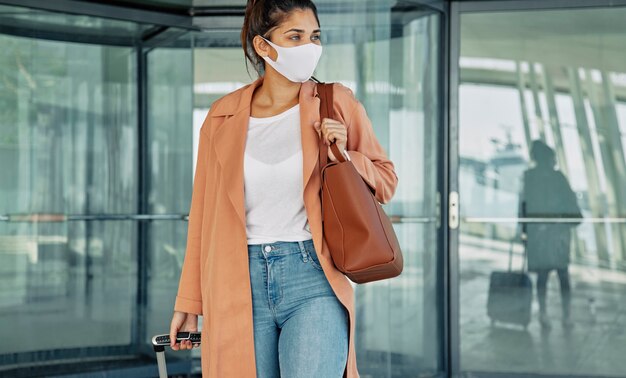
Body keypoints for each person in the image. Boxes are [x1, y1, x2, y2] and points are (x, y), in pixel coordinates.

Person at [168, 0, 399, 376]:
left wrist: (345, 154)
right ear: (263, 46)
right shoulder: (221, 116)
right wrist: (189, 302)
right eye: (295, 36)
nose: (309, 47)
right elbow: (203, 217)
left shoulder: (336, 102)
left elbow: (385, 180)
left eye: (315, 36)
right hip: (236, 281)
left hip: (312, 275)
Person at [518, 140, 582, 330]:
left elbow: (523, 206)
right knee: (563, 275)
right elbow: (570, 202)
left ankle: (544, 314)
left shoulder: (529, 177)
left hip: (538, 233)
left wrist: (523, 232)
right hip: (558, 231)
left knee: (543, 276)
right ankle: (566, 315)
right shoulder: (558, 178)